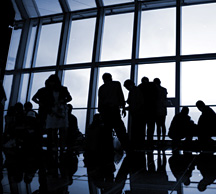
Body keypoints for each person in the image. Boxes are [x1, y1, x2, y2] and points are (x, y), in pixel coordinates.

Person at [33, 74, 72, 152]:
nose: (52, 84)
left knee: (55, 130)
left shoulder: (47, 90)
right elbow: (69, 98)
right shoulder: (59, 89)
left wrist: (41, 104)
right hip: (55, 111)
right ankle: (58, 147)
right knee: (56, 130)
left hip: (55, 111)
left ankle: (57, 147)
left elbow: (69, 98)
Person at [98, 73, 129, 152]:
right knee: (120, 129)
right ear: (111, 77)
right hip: (114, 110)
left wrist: (101, 112)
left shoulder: (101, 88)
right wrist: (123, 108)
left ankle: (108, 148)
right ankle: (126, 146)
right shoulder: (116, 84)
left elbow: (100, 102)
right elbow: (120, 96)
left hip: (105, 111)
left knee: (107, 131)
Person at [123, 79, 144, 149]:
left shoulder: (133, 92)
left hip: (136, 113)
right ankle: (139, 144)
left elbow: (131, 102)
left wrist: (126, 107)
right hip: (139, 112)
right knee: (139, 129)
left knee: (135, 128)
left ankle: (135, 144)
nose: (127, 89)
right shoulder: (138, 90)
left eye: (127, 87)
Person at [138, 77, 158, 146]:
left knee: (142, 128)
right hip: (152, 110)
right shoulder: (153, 86)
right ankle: (150, 142)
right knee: (151, 128)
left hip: (143, 111)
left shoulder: (140, 87)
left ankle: (142, 142)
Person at [153, 78, 167, 142]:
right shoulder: (164, 90)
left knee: (158, 126)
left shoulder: (154, 90)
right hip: (163, 109)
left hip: (156, 110)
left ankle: (159, 139)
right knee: (163, 124)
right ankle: (163, 139)